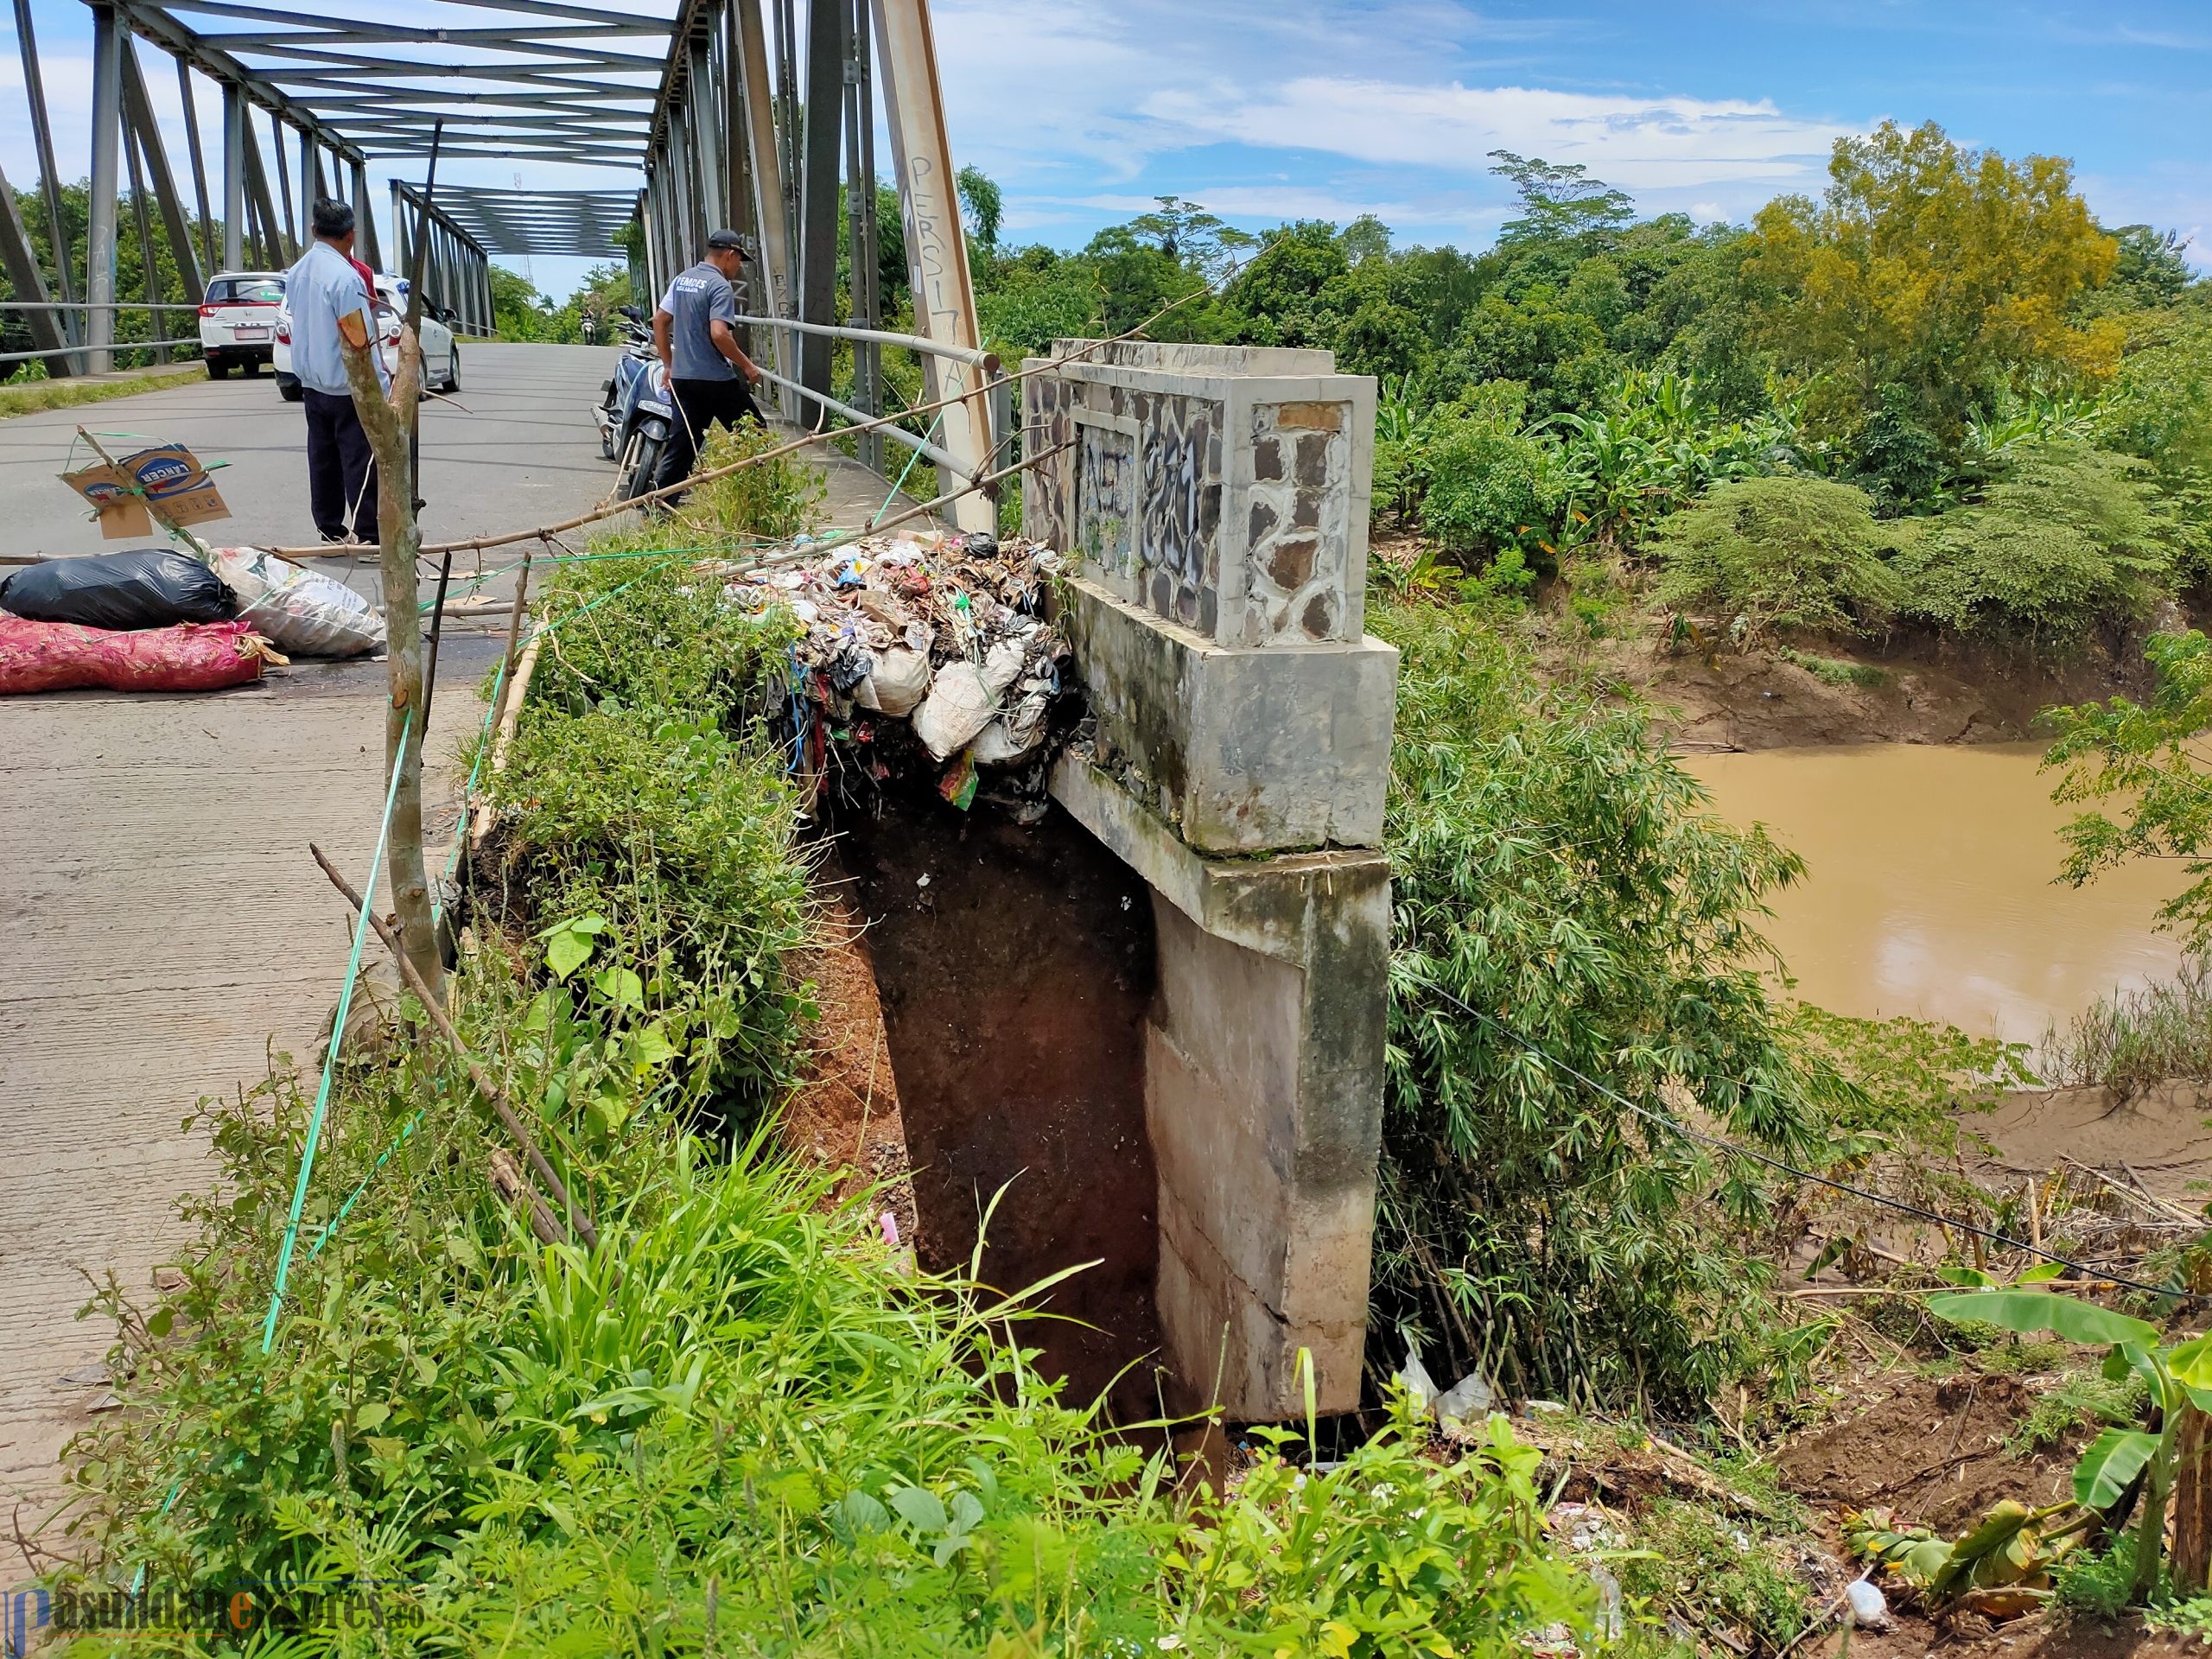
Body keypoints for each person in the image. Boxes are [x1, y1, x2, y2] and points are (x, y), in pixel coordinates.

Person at [283, 198, 385, 544]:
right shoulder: (345, 278)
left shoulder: (297, 273)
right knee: (359, 460)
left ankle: (329, 528)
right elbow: (360, 338)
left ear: (314, 229)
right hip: (345, 385)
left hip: (311, 383)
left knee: (322, 458)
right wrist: (382, 387)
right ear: (350, 236)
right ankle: (369, 532)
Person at [653, 228, 766, 493]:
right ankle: (763, 495)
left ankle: (658, 509)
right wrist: (747, 365)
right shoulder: (719, 286)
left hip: (683, 379)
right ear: (729, 255)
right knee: (755, 434)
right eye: (740, 260)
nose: (739, 267)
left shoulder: (682, 280)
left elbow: (659, 320)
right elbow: (719, 334)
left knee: (682, 446)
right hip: (714, 380)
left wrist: (669, 364)